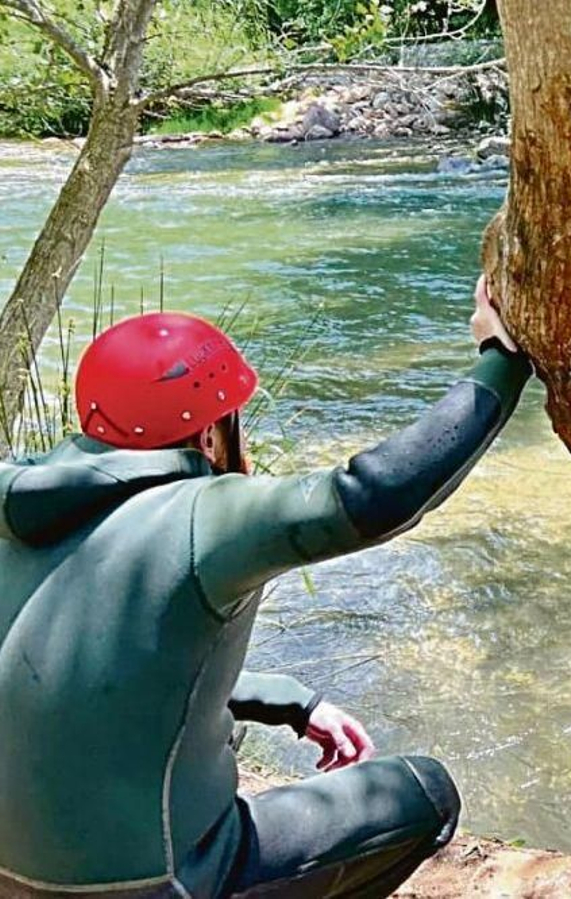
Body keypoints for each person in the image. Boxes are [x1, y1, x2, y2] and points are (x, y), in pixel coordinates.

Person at [0, 275, 529, 898]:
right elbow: (376, 493)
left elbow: (85, 680)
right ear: (206, 435)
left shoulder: (20, 504)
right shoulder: (201, 512)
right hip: (160, 884)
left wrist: (291, 702)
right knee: (425, 792)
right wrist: (503, 360)